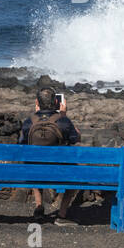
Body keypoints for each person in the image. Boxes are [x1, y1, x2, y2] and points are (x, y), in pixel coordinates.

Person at [19, 87, 81, 226]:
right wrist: (64, 115)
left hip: (33, 172)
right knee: (75, 174)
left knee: (33, 163)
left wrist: (37, 117)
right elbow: (76, 138)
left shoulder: (29, 122)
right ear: (56, 102)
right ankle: (62, 215)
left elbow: (21, 142)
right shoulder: (63, 121)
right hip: (59, 173)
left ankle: (39, 207)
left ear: (37, 102)